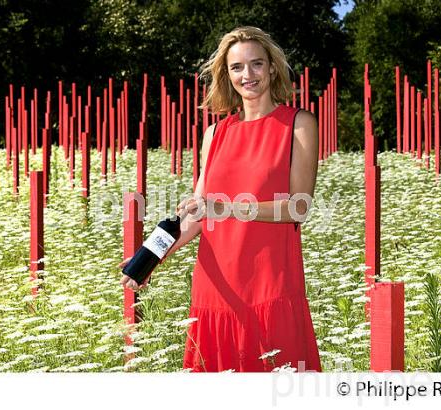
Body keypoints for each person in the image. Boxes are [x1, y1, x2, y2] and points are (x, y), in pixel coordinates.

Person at [119, 26, 321, 372]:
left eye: (257, 64)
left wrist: (226, 207)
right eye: (237, 67)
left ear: (272, 68)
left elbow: (298, 207)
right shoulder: (215, 133)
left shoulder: (298, 124)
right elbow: (198, 214)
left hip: (270, 282)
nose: (248, 75)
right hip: (216, 286)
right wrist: (151, 260)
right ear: (227, 75)